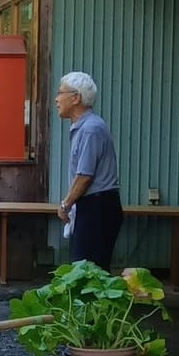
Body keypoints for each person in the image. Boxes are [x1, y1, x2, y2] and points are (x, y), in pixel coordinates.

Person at [55, 71, 123, 270]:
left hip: (98, 208)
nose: (57, 99)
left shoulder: (90, 129)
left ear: (76, 98)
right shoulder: (85, 127)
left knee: (89, 273)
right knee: (86, 271)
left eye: (61, 93)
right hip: (94, 206)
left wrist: (66, 204)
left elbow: (85, 176)